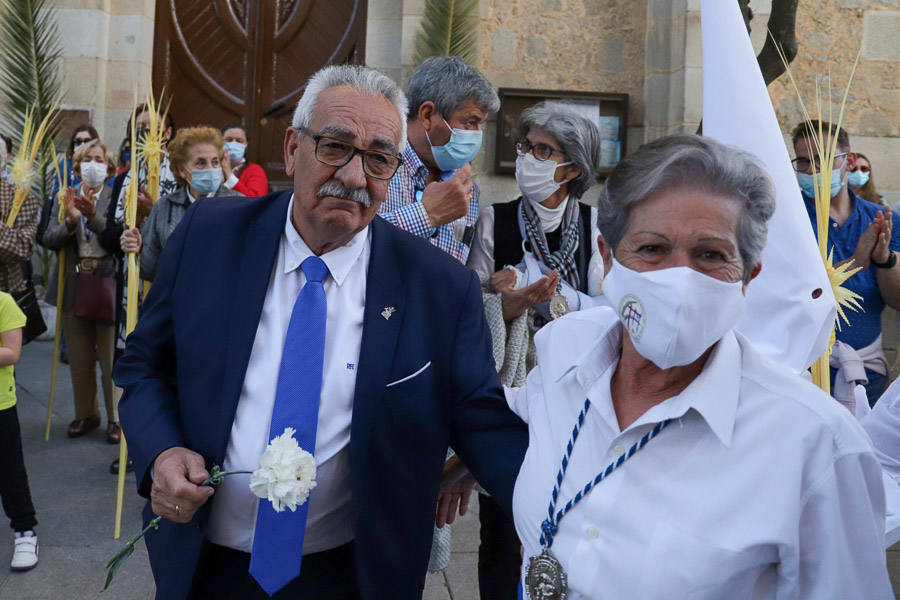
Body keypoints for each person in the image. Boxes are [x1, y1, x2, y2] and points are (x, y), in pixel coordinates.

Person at [114, 64, 527, 600]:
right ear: (292, 149)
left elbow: (483, 422)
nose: (354, 177)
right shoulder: (209, 237)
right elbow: (144, 365)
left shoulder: (439, 287)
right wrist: (163, 452)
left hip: (352, 576)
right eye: (334, 147)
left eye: (378, 159)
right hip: (204, 568)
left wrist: (577, 505)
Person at [506, 134, 892, 599]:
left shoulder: (816, 445)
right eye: (652, 249)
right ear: (607, 258)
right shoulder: (563, 354)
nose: (679, 279)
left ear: (748, 275)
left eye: (710, 254)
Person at [466, 100, 603, 600]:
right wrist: (504, 303)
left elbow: (610, 311)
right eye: (526, 146)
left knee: (570, 520)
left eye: (544, 151)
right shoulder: (493, 221)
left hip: (572, 392)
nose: (528, 157)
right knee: (501, 528)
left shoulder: (596, 227)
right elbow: (468, 306)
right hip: (510, 388)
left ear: (573, 168)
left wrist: (556, 301)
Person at [793, 120, 900, 407]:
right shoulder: (789, 218)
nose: (813, 170)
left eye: (823, 159)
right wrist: (854, 263)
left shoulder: (881, 218)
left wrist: (884, 260)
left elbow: (897, 300)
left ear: (849, 161)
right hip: (802, 373)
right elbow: (794, 294)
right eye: (803, 162)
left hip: (866, 373)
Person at [380, 55, 499, 264]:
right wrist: (426, 215)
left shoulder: (466, 189)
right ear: (427, 115)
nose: (477, 135)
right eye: (470, 122)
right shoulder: (378, 168)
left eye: (481, 125)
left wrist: (498, 288)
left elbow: (458, 273)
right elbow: (351, 241)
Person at [42, 140, 123, 442]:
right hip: (75, 283)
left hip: (109, 284)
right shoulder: (65, 196)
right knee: (78, 356)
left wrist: (92, 217)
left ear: (109, 168)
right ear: (77, 166)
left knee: (111, 359)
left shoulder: (116, 197)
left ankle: (116, 418)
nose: (93, 164)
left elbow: (117, 237)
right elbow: (48, 238)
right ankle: (86, 412)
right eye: (87, 158)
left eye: (99, 159)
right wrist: (69, 222)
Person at [119, 126, 242, 283]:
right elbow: (150, 271)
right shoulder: (164, 207)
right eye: (200, 163)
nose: (210, 169)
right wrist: (137, 247)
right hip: (176, 295)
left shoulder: (238, 205)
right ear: (182, 170)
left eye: (215, 162)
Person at [0, 289, 38, 571]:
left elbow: (12, 352)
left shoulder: (4, 302)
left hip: (1, 404)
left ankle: (25, 531)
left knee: (9, 470)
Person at [221, 124, 269, 197]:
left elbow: (256, 198)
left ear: (246, 145)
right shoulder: (212, 167)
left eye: (239, 141)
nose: (234, 143)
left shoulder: (255, 170)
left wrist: (229, 175)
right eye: (229, 140)